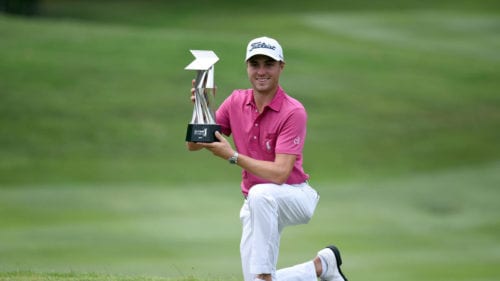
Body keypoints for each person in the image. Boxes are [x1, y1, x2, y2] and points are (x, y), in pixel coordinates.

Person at [186, 36, 348, 281]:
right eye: (255, 64)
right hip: (255, 203)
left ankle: (264, 276)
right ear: (247, 67)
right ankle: (322, 266)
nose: (261, 71)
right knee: (254, 278)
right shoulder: (236, 102)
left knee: (261, 194)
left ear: (281, 67)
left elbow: (280, 173)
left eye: (269, 64)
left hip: (294, 195)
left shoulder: (293, 111)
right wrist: (203, 107)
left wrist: (233, 156)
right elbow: (194, 145)